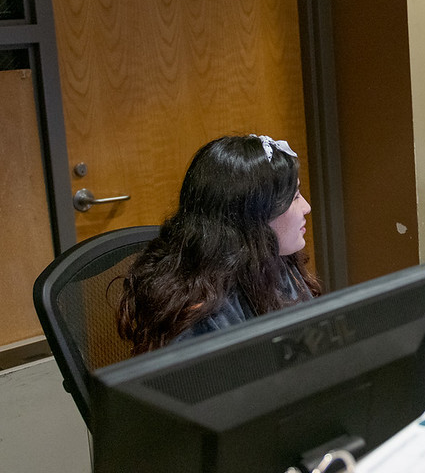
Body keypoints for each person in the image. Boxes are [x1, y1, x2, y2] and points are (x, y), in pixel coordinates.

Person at [117, 134, 320, 354]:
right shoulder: (204, 320)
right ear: (253, 216)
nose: (306, 207)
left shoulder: (275, 262)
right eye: (295, 196)